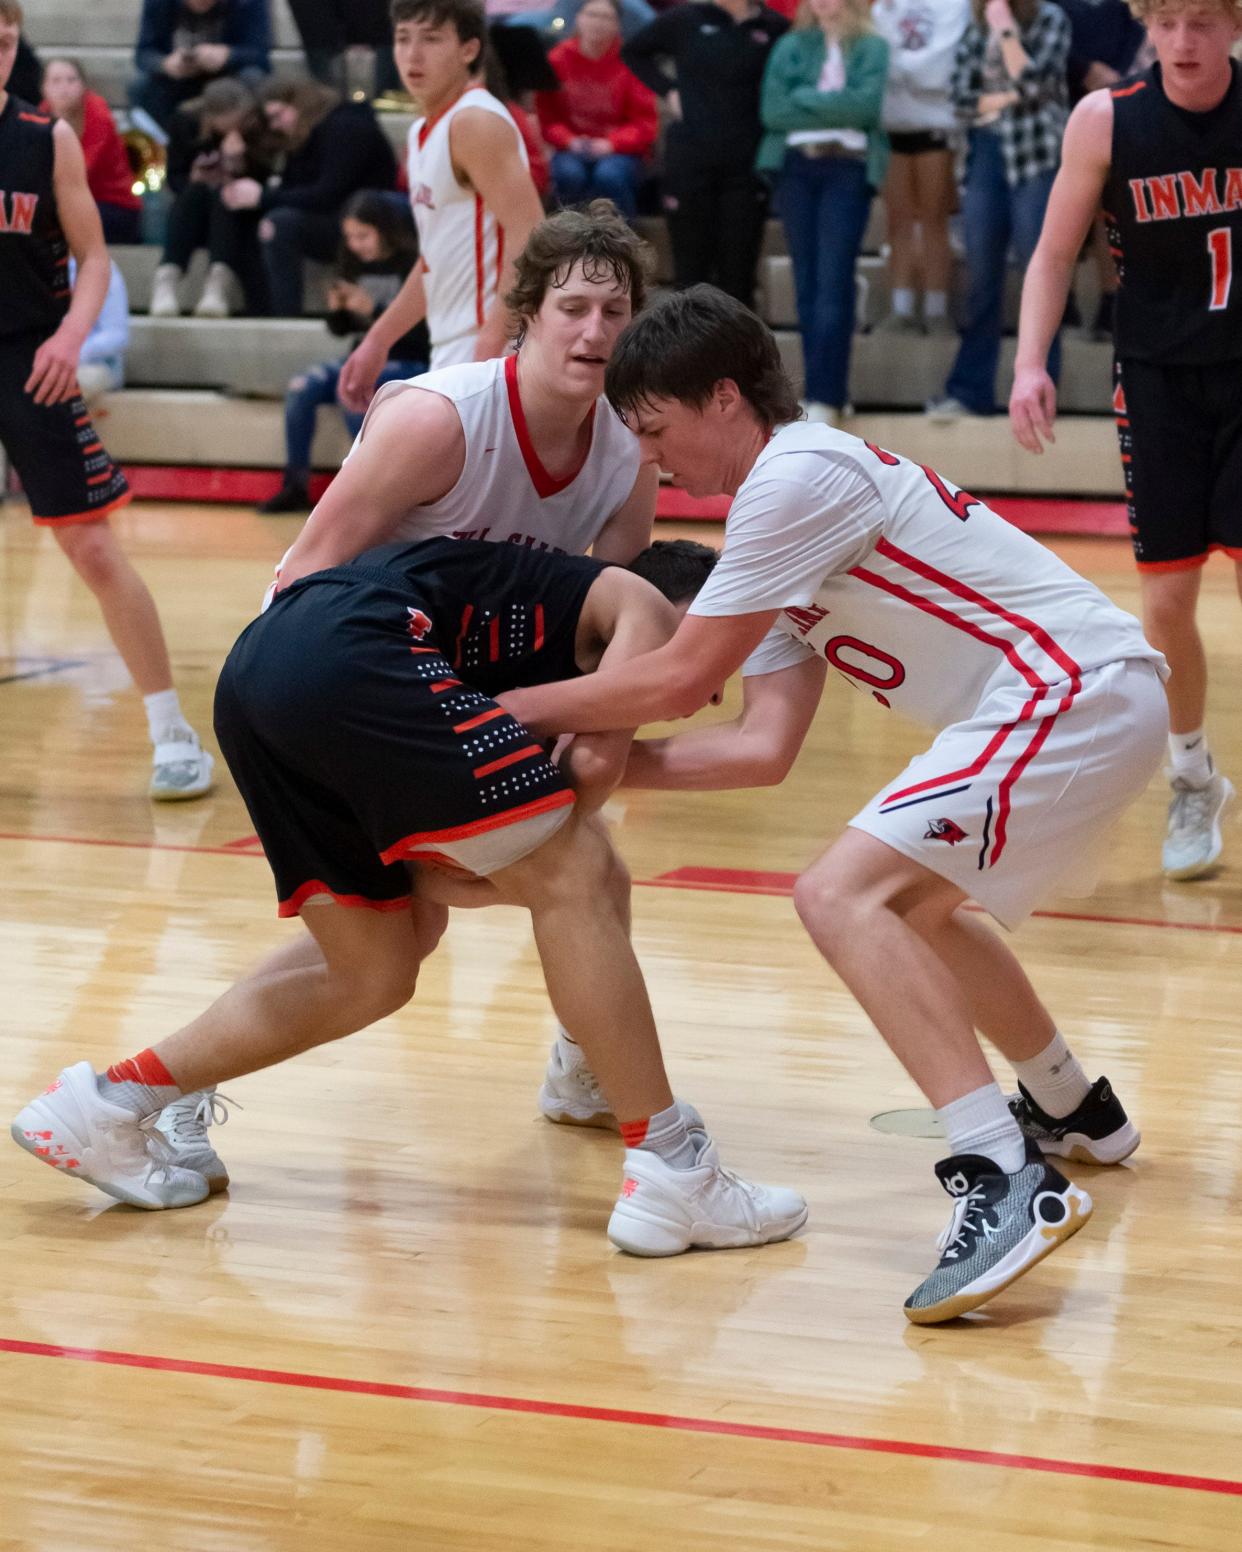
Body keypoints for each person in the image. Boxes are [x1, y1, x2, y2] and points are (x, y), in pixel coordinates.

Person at [497, 285, 1170, 1324]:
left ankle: (1006, 1177)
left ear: (722, 397)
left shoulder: (796, 475)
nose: (652, 461)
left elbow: (676, 683)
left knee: (839, 896)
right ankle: (1075, 1108)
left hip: (1068, 687)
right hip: (1075, 697)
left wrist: (506, 714)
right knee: (914, 906)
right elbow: (760, 747)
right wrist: (598, 769)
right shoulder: (770, 537)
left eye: (656, 430)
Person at [12, 532, 809, 1264]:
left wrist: (433, 867)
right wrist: (461, 863)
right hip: (356, 650)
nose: (704, 691)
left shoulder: (528, 631)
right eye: (710, 655)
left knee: (373, 968)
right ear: (685, 614)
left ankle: (106, 1105)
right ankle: (671, 1167)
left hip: (259, 677)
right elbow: (593, 775)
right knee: (582, 868)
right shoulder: (632, 602)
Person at [1009, 0, 1242, 881]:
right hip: (1157, 379)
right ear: (1147, 23)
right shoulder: (1107, 120)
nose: (1185, 42)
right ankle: (1192, 776)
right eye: (1170, 22)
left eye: (1205, 23)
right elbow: (1050, 254)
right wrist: (1031, 362)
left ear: (1234, 27)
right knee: (1168, 605)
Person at [0, 1, 214, 802]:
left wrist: (70, 340)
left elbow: (95, 261)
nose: (0, 51)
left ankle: (171, 730)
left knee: (90, 549)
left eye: (8, 40)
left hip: (30, 355)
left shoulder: (42, 136)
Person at [337, 0, 545, 407]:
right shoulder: (420, 133)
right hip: (454, 346)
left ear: (468, 50)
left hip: (491, 348)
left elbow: (532, 233)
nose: (413, 54)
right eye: (403, 38)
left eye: (431, 39)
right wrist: (378, 339)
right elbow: (434, 258)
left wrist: (495, 336)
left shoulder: (475, 122)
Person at [926, 0, 1070, 420]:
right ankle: (971, 391)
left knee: (1040, 274)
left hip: (1036, 158)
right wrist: (1009, 96)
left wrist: (1006, 30)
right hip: (985, 156)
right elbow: (960, 97)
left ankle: (1041, 393)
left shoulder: (1049, 19)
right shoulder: (975, 26)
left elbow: (1033, 82)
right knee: (981, 280)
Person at [759, 0, 891, 426]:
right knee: (807, 284)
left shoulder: (871, 47)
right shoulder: (791, 45)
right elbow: (773, 111)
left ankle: (826, 395)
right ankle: (822, 389)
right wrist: (836, 102)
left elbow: (865, 109)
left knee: (834, 281)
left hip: (847, 169)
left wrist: (804, 97)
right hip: (797, 168)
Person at [259, 192, 431, 514]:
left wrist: (375, 308)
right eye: (350, 237)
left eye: (363, 236)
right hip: (363, 357)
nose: (356, 245)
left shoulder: (413, 264)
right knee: (300, 389)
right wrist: (338, 310)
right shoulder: (351, 261)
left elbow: (426, 333)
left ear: (386, 230)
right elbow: (341, 330)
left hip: (410, 360)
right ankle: (295, 485)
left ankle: (370, 491)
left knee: (355, 396)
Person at [622, 0, 790, 311]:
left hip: (747, 162)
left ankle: (740, 354)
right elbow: (633, 51)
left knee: (738, 273)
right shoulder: (686, 18)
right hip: (690, 159)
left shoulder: (774, 27)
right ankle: (688, 354)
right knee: (690, 274)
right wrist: (668, 89)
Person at [218, 80, 399, 317]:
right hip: (332, 220)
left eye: (278, 115)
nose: (275, 125)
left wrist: (263, 197)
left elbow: (328, 194)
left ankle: (284, 317)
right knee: (250, 219)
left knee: (278, 224)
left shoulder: (346, 126)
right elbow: (292, 188)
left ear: (300, 104)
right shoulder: (304, 138)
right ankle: (257, 310)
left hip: (363, 223)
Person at [871, 0, 971, 336]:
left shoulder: (955, 5)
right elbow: (873, 57)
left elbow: (940, 70)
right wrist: (904, 71)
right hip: (890, 124)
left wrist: (895, 70)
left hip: (937, 124)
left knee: (934, 219)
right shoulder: (884, 6)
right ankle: (900, 310)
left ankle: (936, 310)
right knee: (897, 220)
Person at [149, 77, 278, 319]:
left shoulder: (259, 125)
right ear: (210, 118)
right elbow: (174, 177)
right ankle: (167, 278)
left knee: (224, 194)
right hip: (194, 211)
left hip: (239, 213)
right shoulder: (185, 122)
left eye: (240, 121)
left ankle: (217, 283)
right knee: (196, 192)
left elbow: (267, 181)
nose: (235, 129)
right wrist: (195, 177)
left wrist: (238, 165)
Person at [536, 0, 658, 220]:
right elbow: (547, 118)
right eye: (592, 15)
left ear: (617, 25)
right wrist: (569, 140)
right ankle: (568, 242)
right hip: (571, 145)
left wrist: (612, 144)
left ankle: (621, 244)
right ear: (579, 18)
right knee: (568, 174)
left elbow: (645, 123)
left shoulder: (630, 61)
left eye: (606, 17)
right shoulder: (557, 59)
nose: (598, 23)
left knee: (609, 175)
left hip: (620, 149)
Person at [40, 58, 144, 244]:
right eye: (56, 81)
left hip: (113, 206)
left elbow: (83, 170)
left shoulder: (98, 113)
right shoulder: (40, 114)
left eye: (71, 80)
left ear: (83, 86)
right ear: (43, 88)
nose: (64, 87)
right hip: (67, 204)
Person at [130, 0, 270, 132]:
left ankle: (246, 144)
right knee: (141, 86)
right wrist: (165, 63)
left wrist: (229, 55)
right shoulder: (159, 3)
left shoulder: (248, 3)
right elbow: (143, 55)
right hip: (178, 79)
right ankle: (166, 147)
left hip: (229, 78)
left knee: (254, 77)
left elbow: (260, 54)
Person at [70, 256, 130, 405]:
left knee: (62, 382)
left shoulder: (101, 268)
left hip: (95, 365)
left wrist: (71, 355)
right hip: (39, 364)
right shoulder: (31, 267)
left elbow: (117, 336)